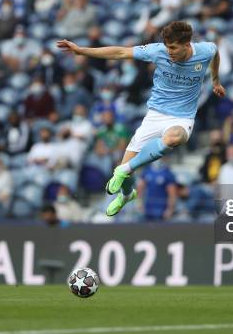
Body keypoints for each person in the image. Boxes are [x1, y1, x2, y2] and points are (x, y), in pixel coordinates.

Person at [57, 21, 224, 217]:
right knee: (124, 172)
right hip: (154, 116)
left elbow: (215, 53)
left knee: (171, 139)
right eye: (167, 46)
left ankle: (124, 170)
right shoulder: (157, 51)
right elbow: (120, 52)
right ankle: (127, 195)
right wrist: (82, 51)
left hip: (182, 118)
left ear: (187, 45)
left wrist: (215, 80)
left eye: (173, 47)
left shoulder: (205, 50)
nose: (168, 51)